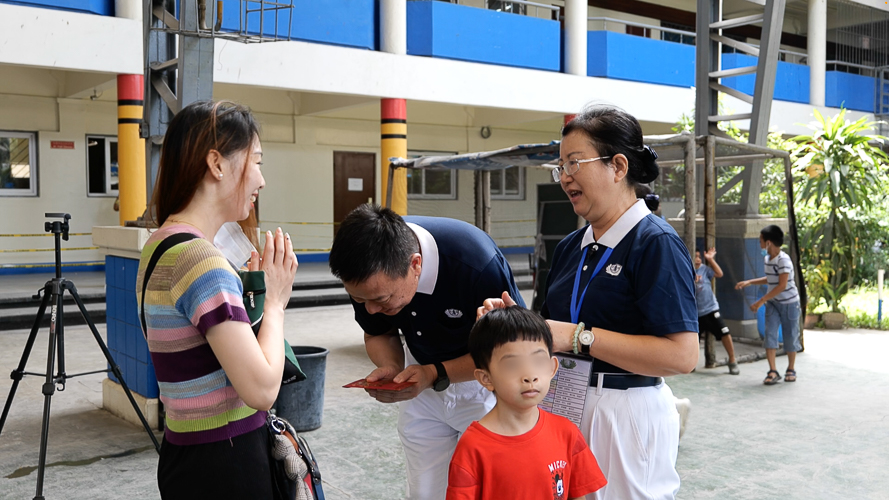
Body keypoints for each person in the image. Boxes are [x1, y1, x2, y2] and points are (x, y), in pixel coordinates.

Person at [479, 104, 699, 500]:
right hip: (564, 399)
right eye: (559, 167)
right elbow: (553, 331)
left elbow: (681, 357)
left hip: (625, 410)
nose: (564, 178)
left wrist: (580, 338)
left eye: (574, 164)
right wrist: (512, 323)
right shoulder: (570, 247)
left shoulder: (655, 244)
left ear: (618, 166)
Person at [137, 100, 298, 499]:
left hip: (185, 455)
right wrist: (275, 301)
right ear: (217, 164)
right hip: (225, 464)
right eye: (256, 161)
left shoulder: (159, 245)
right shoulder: (201, 260)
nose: (261, 179)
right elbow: (261, 390)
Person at [327, 204, 525, 500]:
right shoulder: (367, 269)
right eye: (359, 299)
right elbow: (377, 331)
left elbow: (513, 350)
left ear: (415, 264)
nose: (370, 308)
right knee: (424, 490)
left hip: (485, 382)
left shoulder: (475, 262)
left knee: (490, 485)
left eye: (382, 299)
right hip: (420, 375)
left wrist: (435, 374)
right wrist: (392, 367)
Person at [446, 306, 607, 500]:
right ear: (486, 378)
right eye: (512, 365)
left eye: (538, 360)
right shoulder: (472, 448)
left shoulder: (567, 433)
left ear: (552, 367)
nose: (529, 375)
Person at [735, 225, 801, 385]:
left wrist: (760, 301)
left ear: (769, 243)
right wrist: (750, 282)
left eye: (761, 241)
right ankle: (773, 370)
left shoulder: (784, 260)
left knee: (790, 336)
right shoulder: (767, 259)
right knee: (770, 334)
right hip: (773, 303)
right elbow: (771, 279)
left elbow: (781, 285)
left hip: (789, 303)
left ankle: (791, 368)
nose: (760, 245)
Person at [695, 248, 740, 375]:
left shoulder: (704, 269)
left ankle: (732, 360)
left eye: (699, 257)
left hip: (711, 309)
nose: (698, 259)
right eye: (695, 257)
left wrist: (710, 259)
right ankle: (690, 364)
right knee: (692, 340)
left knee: (725, 332)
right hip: (695, 314)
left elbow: (719, 274)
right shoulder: (685, 271)